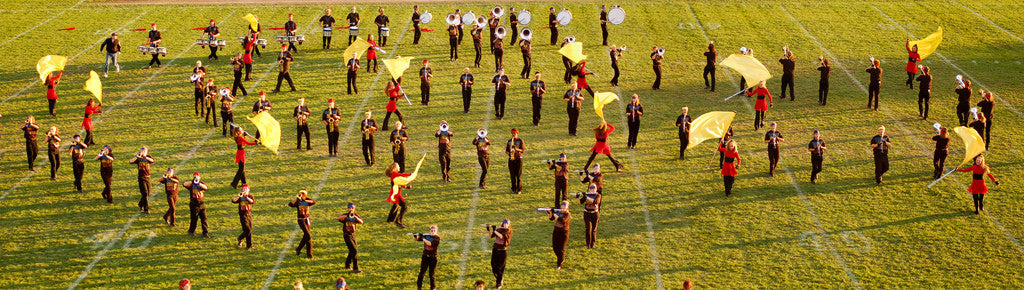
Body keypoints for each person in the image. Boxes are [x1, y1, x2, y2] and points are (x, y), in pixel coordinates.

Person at [289, 190, 317, 258]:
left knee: (306, 236)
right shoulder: (298, 201)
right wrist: (297, 199)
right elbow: (290, 204)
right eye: (301, 193)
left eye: (303, 194)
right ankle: (307, 253)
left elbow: (314, 202)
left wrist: (306, 199)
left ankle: (304, 251)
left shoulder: (308, 201)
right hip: (301, 220)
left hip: (307, 219)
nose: (302, 195)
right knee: (308, 236)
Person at [337, 203, 364, 272]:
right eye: (349, 208)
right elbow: (338, 218)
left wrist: (355, 217)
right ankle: (355, 268)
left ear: (354, 209)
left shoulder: (356, 215)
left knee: (352, 250)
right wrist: (347, 216)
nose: (351, 209)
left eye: (352, 208)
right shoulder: (345, 215)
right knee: (354, 251)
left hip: (353, 234)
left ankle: (347, 264)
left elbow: (361, 222)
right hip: (347, 234)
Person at [413, 225, 440, 290]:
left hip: (433, 258)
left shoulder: (437, 238)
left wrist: (423, 238)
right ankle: (419, 287)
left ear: (436, 231)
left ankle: (433, 287)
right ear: (429, 230)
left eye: (434, 230)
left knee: (431, 274)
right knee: (422, 272)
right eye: (431, 230)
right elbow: (418, 240)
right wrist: (416, 236)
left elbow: (430, 244)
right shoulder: (427, 236)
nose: (433, 231)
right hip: (425, 257)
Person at [129, 147, 155, 213]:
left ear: (146, 152)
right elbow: (130, 161)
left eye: (144, 151)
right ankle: (146, 209)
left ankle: (141, 204)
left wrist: (145, 157)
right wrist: (137, 157)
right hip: (141, 177)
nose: (143, 152)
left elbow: (152, 161)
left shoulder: (148, 157)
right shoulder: (138, 158)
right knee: (145, 193)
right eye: (142, 151)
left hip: (148, 177)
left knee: (148, 192)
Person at [385, 162, 412, 228]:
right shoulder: (394, 174)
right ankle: (398, 221)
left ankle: (390, 220)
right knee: (404, 206)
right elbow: (402, 175)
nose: (399, 167)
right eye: (398, 166)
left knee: (395, 205)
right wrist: (411, 174)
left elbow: (399, 184)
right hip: (396, 194)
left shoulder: (395, 175)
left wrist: (406, 187)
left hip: (395, 193)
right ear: (395, 168)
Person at [183, 172, 210, 238]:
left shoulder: (201, 183)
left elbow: (206, 187)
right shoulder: (191, 184)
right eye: (194, 176)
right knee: (194, 219)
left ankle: (205, 232)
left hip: (201, 203)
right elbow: (184, 184)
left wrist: (198, 183)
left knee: (204, 219)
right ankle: (191, 231)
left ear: (199, 177)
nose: (195, 177)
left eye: (197, 176)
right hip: (194, 204)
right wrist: (192, 182)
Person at [487, 220, 511, 288]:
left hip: (502, 251)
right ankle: (500, 279)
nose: (505, 225)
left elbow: (501, 237)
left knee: (500, 268)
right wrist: (488, 230)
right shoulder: (499, 229)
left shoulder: (509, 232)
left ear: (509, 225)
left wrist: (495, 230)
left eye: (507, 224)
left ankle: (499, 283)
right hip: (495, 250)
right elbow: (491, 236)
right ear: (502, 224)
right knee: (493, 266)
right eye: (504, 223)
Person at [231, 184, 255, 249]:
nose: (244, 190)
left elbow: (252, 202)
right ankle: (249, 245)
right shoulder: (240, 197)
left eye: (246, 189)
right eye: (243, 189)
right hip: (243, 215)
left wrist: (247, 197)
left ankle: (240, 238)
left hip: (249, 214)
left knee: (250, 229)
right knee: (248, 230)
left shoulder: (250, 196)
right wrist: (238, 196)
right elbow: (233, 201)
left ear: (249, 190)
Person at [548, 201, 570, 269]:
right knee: (555, 248)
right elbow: (551, 218)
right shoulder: (558, 212)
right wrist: (549, 212)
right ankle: (560, 258)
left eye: (564, 207)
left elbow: (562, 221)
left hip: (564, 233)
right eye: (562, 206)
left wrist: (554, 214)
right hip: (556, 231)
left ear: (567, 208)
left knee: (561, 249)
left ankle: (559, 264)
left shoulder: (567, 215)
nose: (563, 208)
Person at [579, 184, 601, 249]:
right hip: (587, 213)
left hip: (595, 214)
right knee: (588, 228)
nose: (593, 190)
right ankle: (588, 243)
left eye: (594, 189)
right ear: (589, 190)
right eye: (591, 189)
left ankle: (592, 243)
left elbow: (595, 202)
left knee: (594, 229)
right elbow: (579, 203)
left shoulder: (598, 195)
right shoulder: (586, 195)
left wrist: (586, 197)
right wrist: (578, 197)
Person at [505, 128, 525, 194]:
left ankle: (519, 189)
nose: (513, 134)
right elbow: (506, 150)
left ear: (517, 133)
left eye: (514, 133)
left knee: (518, 175)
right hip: (511, 159)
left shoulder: (520, 141)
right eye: (512, 133)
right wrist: (509, 152)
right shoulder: (509, 141)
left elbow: (522, 150)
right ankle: (513, 188)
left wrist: (516, 149)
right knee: (512, 175)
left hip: (518, 159)